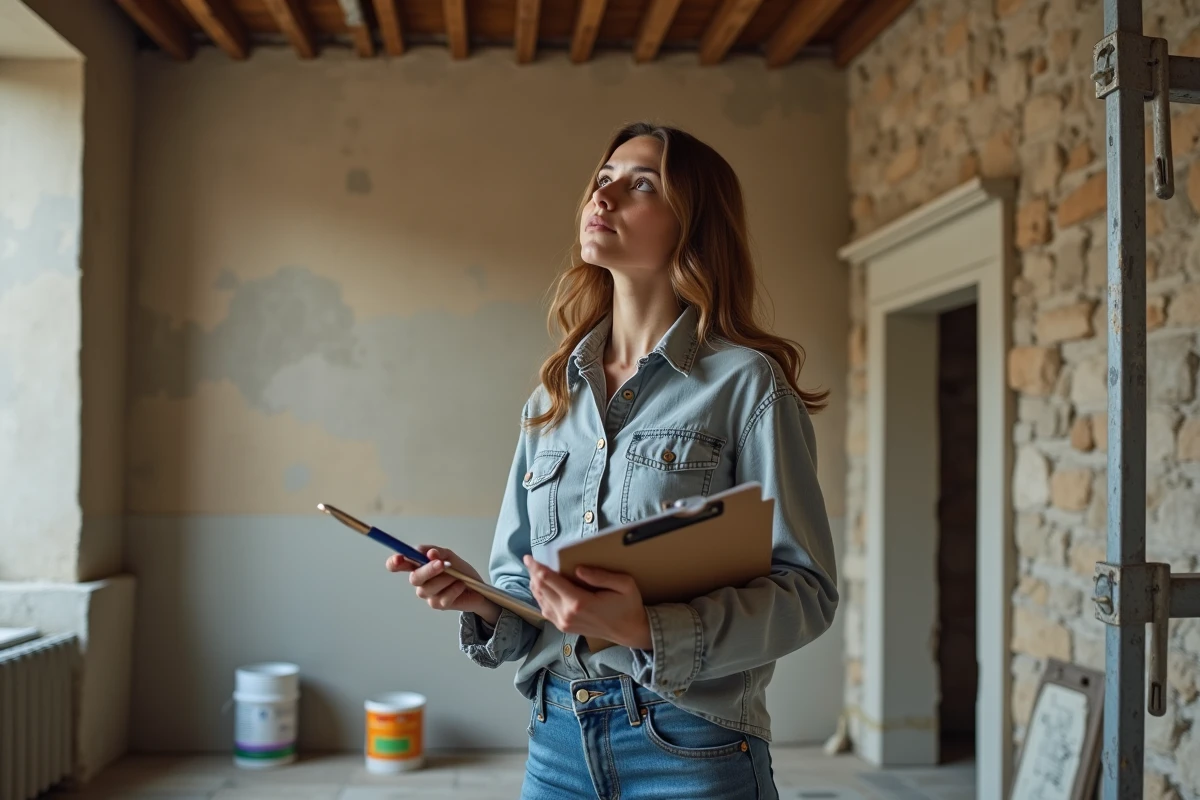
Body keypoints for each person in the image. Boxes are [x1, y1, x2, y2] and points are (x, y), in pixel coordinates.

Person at [386, 121, 839, 800]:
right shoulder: (553, 394)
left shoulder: (747, 386)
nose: (605, 196)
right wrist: (480, 598)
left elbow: (807, 593)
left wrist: (646, 628)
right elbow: (523, 586)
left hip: (692, 744)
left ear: (694, 224)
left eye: (641, 184)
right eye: (603, 180)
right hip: (557, 738)